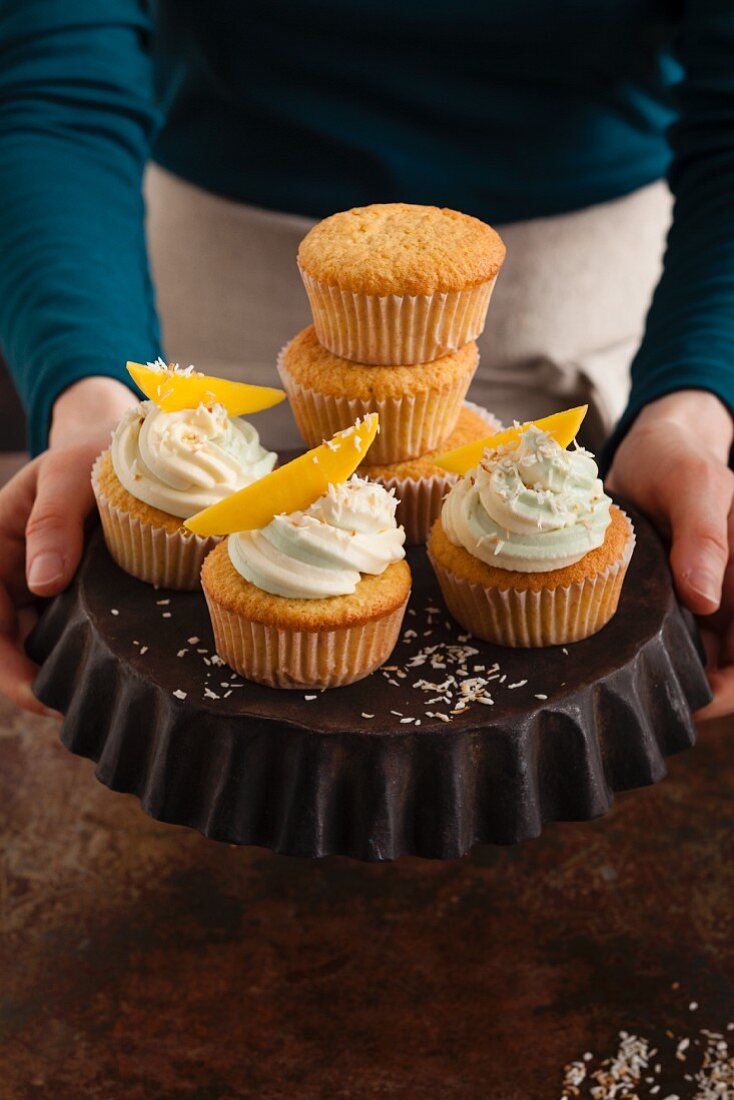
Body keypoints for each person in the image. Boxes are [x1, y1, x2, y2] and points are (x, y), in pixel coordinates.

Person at [0, 2, 732, 718]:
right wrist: (91, 392)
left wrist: (693, 405)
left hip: (584, 293)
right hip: (208, 312)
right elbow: (56, 79)